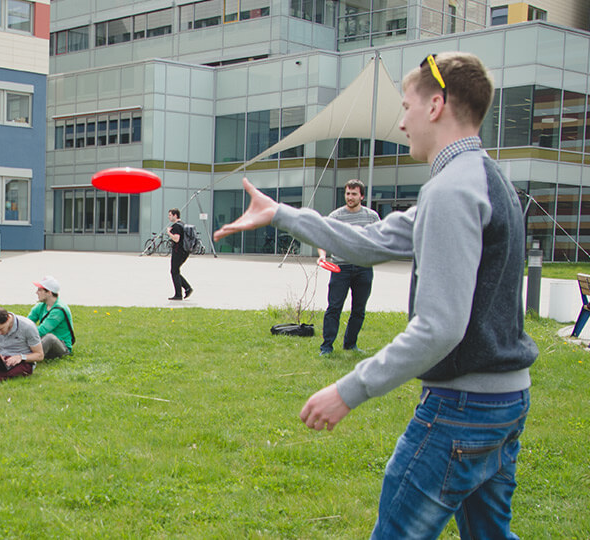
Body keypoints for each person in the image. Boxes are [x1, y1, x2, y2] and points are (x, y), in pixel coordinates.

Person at [214, 52, 538, 539]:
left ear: (436, 106)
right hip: (506, 402)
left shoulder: (452, 190)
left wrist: (349, 390)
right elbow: (373, 241)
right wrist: (280, 213)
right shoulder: (486, 179)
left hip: (463, 409)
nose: (401, 123)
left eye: (406, 107)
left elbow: (440, 328)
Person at [318, 179, 379, 356]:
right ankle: (326, 347)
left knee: (359, 310)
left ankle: (350, 344)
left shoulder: (371, 217)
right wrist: (322, 256)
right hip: (341, 268)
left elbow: (380, 239)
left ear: (362, 196)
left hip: (364, 268)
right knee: (334, 308)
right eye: (347, 193)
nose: (350, 197)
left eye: (354, 194)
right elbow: (322, 238)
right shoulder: (335, 216)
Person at [27, 275, 75, 359]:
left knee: (50, 338)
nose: (36, 292)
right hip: (43, 340)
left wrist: (26, 336)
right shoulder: (41, 306)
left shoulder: (59, 310)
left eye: (40, 290)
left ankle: (29, 357)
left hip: (61, 346)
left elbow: (42, 330)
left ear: (49, 292)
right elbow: (27, 323)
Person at [166, 208, 193, 301]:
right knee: (175, 271)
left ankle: (179, 294)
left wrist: (169, 233)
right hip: (185, 251)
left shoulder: (176, 226)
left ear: (175, 215)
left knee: (174, 271)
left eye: (170, 215)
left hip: (178, 252)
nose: (168, 217)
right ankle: (187, 288)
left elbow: (176, 239)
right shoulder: (183, 224)